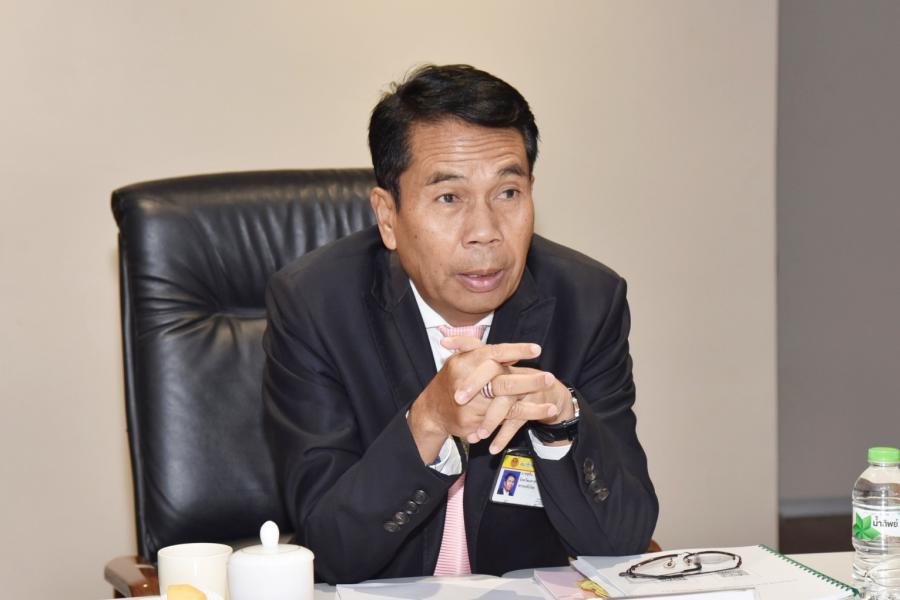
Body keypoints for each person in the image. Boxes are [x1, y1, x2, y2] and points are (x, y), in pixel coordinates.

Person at [263, 64, 657, 584]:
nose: (485, 231)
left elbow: (624, 543)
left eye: (508, 193)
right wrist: (428, 422)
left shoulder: (587, 302)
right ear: (387, 216)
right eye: (449, 198)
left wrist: (563, 427)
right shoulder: (316, 306)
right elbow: (328, 551)